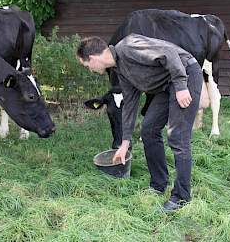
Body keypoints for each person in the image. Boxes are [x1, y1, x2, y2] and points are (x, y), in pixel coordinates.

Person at [76, 33, 203, 212]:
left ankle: (181, 197)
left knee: (177, 137)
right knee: (148, 130)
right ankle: (159, 184)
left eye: (87, 66)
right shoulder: (120, 70)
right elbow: (129, 103)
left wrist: (181, 86)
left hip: (185, 74)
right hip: (165, 86)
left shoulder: (128, 46)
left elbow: (168, 53)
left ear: (92, 58)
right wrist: (125, 144)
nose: (90, 70)